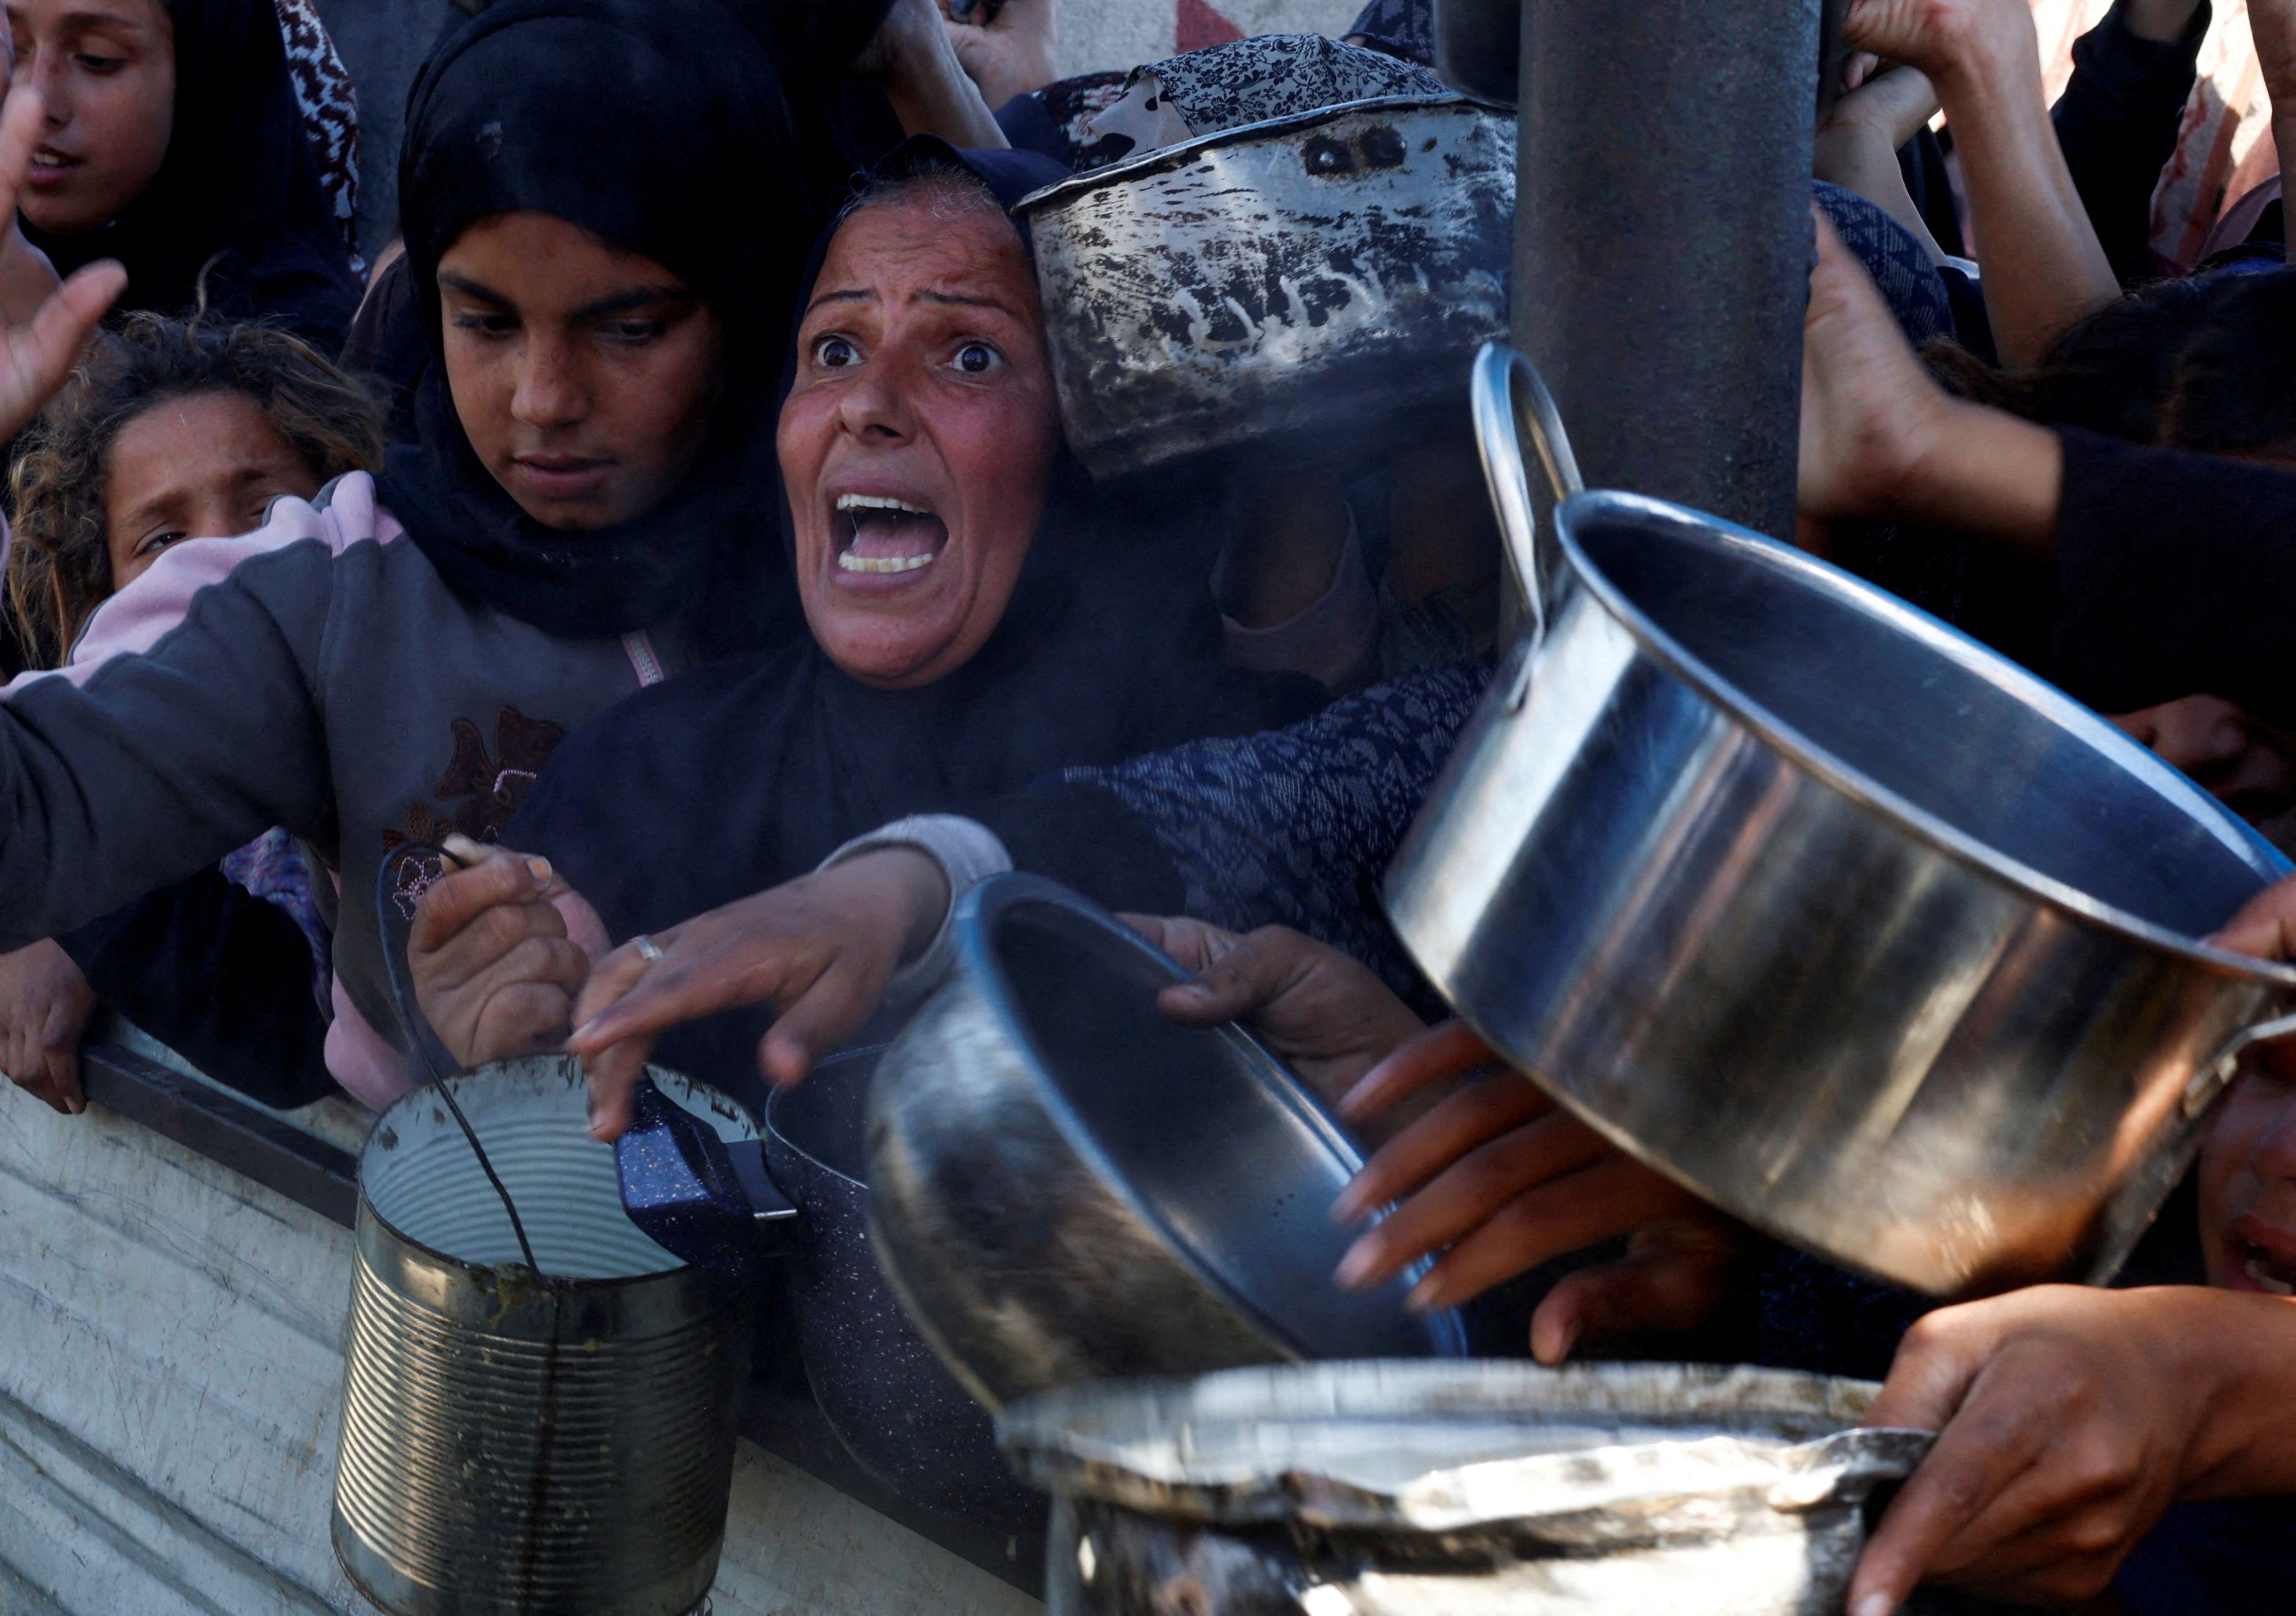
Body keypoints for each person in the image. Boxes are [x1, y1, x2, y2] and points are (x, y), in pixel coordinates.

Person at [0, 0, 833, 1111]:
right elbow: (35, 817)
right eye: (484, 321)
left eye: (629, 328)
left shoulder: (871, 552)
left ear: (746, 301)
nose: (543, 401)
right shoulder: (332, 591)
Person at [407, 141, 1325, 1123]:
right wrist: (502, 1057)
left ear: (1088, 445)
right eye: (834, 349)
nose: (868, 405)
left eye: (971, 354)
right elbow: (537, 1209)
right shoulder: (643, 777)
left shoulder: (1267, 783)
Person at [0, 312, 382, 1112]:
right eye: (164, 538)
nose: (223, 562)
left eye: (264, 510)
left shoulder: (397, 725)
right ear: (98, 592)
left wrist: (79, 919)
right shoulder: (82, 739)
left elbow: (294, 1038)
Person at [6, 0, 360, 347]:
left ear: (206, 72)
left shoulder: (290, 334)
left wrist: (36, 311)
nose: (35, 102)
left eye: (97, 57)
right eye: (13, 48)